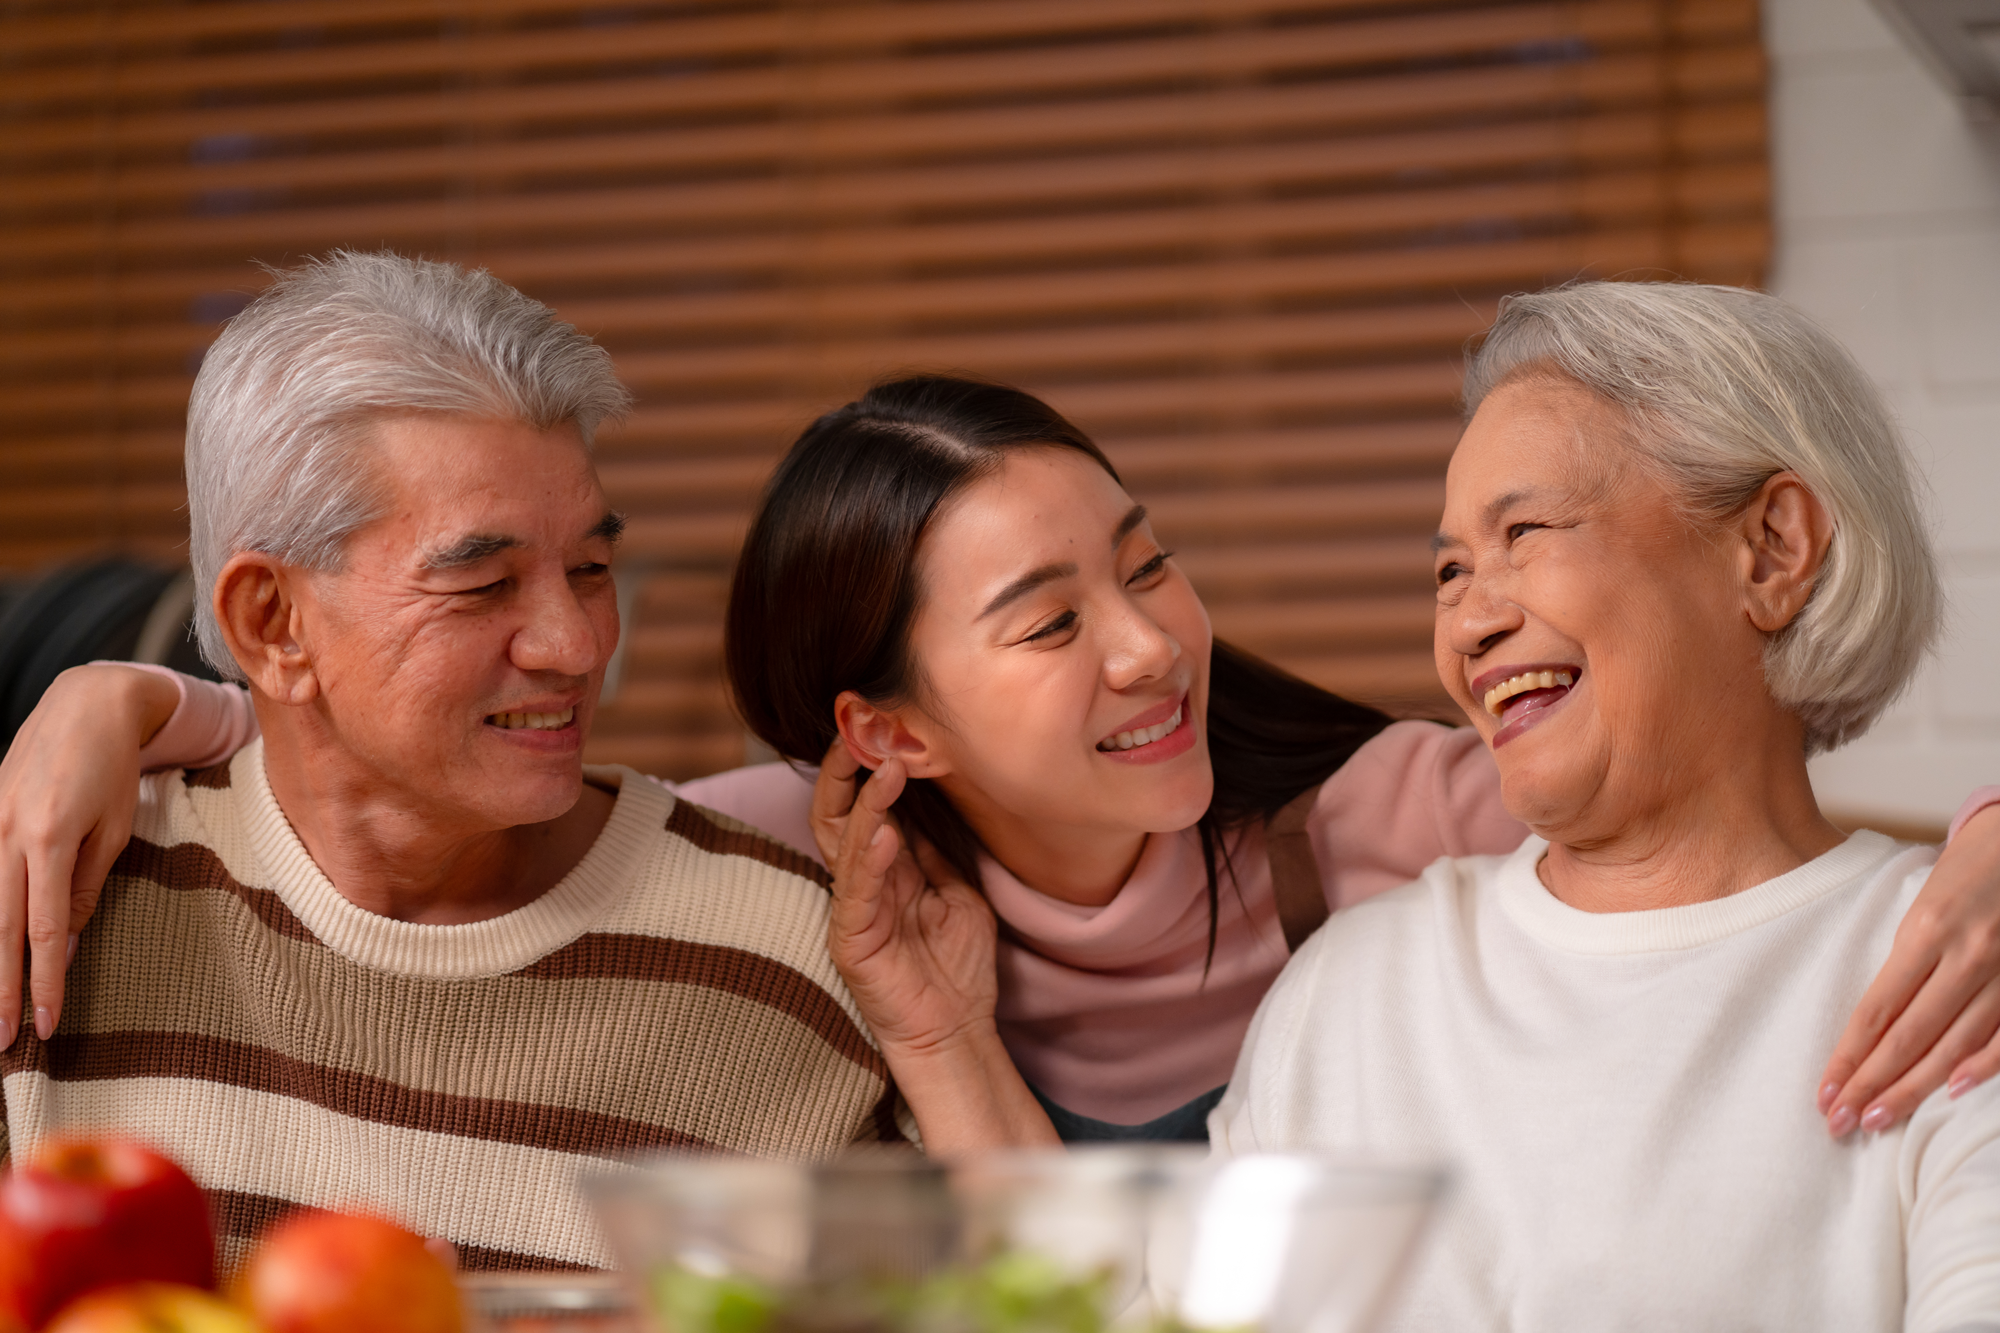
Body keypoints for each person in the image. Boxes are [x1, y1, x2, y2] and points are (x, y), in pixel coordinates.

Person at [15, 369, 2000, 1147]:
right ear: (885, 733)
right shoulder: (789, 855)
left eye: (1146, 566)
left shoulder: (1367, 821)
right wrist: (136, 701)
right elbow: (450, 764)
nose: (1153, 647)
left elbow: (1765, 828)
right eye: (1050, 624)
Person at [0, 251, 903, 1272]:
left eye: (591, 569)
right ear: (274, 624)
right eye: (481, 585)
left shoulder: (781, 963)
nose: (575, 646)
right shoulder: (51, 899)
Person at [1210, 282, 2000, 1329]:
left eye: (1525, 529)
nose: (1470, 621)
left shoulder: (1950, 981)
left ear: (1769, 548)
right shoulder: (1349, 993)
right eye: (1449, 569)